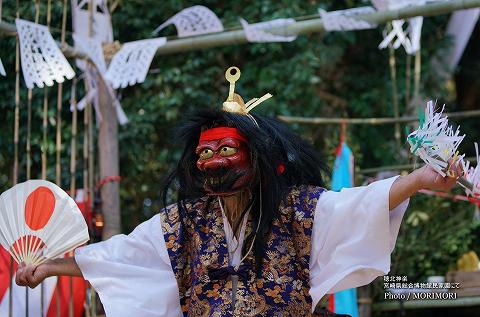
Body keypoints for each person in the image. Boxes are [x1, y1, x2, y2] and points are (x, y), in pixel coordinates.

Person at [16, 67, 460, 317]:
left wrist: (420, 179)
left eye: (226, 148)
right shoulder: (182, 224)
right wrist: (50, 267)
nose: (212, 160)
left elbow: (357, 205)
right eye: (204, 152)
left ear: (257, 155)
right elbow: (120, 256)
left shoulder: (295, 210)